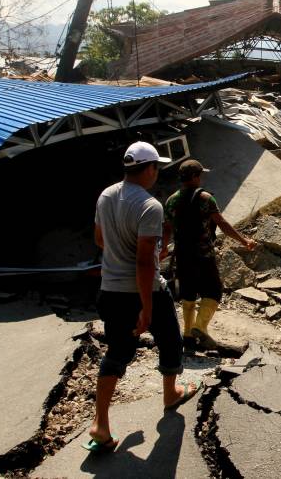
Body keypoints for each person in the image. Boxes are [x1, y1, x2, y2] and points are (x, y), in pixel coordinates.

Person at [87, 142, 202, 452]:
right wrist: (146, 309)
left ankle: (100, 424)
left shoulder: (106, 195)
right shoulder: (150, 205)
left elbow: (101, 239)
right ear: (150, 168)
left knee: (118, 352)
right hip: (143, 290)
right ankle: (170, 394)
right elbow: (142, 263)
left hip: (110, 289)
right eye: (157, 168)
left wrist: (127, 248)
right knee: (170, 338)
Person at [163, 159, 256, 350]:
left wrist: (163, 248)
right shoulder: (206, 198)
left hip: (181, 255)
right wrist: (244, 240)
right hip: (203, 255)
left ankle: (188, 336)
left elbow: (166, 229)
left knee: (188, 294)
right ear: (196, 176)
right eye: (200, 174)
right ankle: (200, 326)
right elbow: (221, 223)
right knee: (213, 291)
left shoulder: (171, 200)